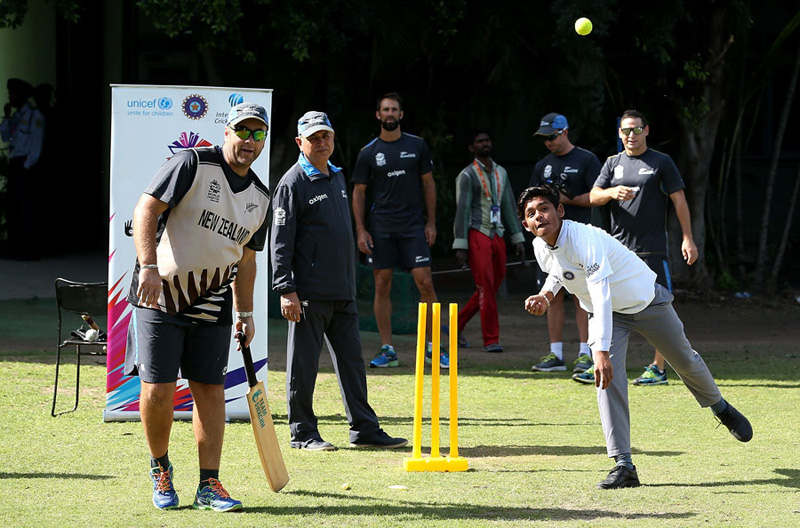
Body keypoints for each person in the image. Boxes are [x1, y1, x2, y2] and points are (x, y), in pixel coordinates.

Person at [518, 185, 752, 489]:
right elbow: (560, 271)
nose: (539, 216)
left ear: (560, 211)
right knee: (607, 380)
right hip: (610, 317)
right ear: (525, 224)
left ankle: (720, 407)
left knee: (685, 361)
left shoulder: (584, 238)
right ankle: (624, 465)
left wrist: (598, 350)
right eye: (531, 214)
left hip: (645, 300)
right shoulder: (540, 247)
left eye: (544, 208)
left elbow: (600, 293)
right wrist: (546, 295)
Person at [125, 102, 272, 512]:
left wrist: (245, 315)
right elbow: (145, 210)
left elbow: (246, 260)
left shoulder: (260, 197)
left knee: (210, 389)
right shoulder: (191, 163)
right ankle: (161, 470)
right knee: (158, 388)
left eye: (258, 133)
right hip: (161, 294)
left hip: (214, 301)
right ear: (227, 131)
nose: (249, 140)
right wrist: (148, 268)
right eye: (243, 130)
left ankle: (209, 484)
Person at [271, 110, 408, 452]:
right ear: (299, 142)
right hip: (307, 293)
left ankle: (364, 429)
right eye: (313, 138)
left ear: (333, 139)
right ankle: (302, 433)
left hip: (341, 290)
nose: (321, 143)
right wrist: (285, 288)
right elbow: (280, 241)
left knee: (352, 363)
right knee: (303, 366)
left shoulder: (336, 176)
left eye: (326, 136)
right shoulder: (292, 182)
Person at [585, 109, 698, 386]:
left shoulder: (661, 161)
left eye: (636, 129)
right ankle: (600, 362)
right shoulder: (612, 163)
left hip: (652, 250)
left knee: (659, 305)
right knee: (605, 306)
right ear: (619, 133)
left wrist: (687, 237)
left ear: (646, 130)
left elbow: (679, 199)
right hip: (617, 252)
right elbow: (593, 196)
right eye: (625, 130)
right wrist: (612, 192)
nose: (631, 135)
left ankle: (657, 368)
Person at [351, 92, 447, 369]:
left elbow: (429, 185)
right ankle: (388, 349)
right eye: (385, 110)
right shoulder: (368, 152)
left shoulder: (417, 146)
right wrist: (361, 230)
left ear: (401, 115)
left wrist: (431, 222)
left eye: (394, 109)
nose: (390, 114)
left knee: (425, 283)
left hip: (413, 226)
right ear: (378, 115)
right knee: (382, 285)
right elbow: (358, 192)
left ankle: (433, 347)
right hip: (381, 228)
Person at [527, 113, 600, 375]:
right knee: (551, 294)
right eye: (544, 139)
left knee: (580, 295)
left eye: (552, 137)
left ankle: (585, 352)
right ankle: (556, 353)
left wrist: (570, 200)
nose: (548, 142)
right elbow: (532, 202)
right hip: (550, 242)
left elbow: (598, 195)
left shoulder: (586, 159)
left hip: (579, 238)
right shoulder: (543, 165)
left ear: (565, 132)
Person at [452, 129, 525, 352]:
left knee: (491, 286)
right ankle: (491, 339)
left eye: (487, 140)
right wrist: (461, 243)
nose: (484, 144)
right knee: (485, 286)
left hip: (498, 234)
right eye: (479, 141)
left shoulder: (501, 172)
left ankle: (456, 326)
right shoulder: (467, 175)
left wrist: (518, 238)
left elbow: (510, 208)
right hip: (478, 233)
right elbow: (462, 211)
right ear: (472, 147)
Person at [0, 78, 44, 260]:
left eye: (14, 94)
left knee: (26, 210)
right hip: (15, 164)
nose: (11, 97)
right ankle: (14, 247)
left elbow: (36, 143)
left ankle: (29, 250)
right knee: (13, 210)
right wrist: (7, 116)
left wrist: (27, 166)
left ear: (23, 96)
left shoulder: (34, 116)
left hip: (25, 166)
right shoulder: (17, 116)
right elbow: (5, 138)